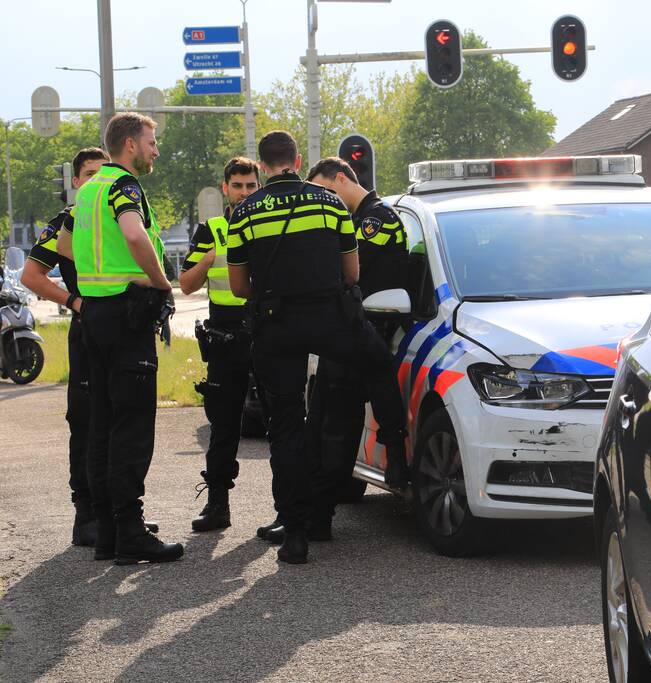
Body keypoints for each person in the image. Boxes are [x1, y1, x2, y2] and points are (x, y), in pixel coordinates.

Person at [227, 131, 407, 564]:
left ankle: (294, 534)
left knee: (286, 428)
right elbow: (352, 274)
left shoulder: (244, 211)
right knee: (377, 364)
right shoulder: (330, 204)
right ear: (296, 161)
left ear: (262, 165)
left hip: (276, 327)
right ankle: (397, 453)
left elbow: (238, 287)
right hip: (331, 321)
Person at [63, 112, 183, 565]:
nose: (156, 150)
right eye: (151, 142)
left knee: (103, 426)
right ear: (130, 144)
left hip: (94, 316)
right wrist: (162, 282)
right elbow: (134, 234)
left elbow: (67, 248)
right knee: (132, 427)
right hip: (126, 316)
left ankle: (109, 533)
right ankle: (131, 533)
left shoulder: (89, 189)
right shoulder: (122, 186)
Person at [20, 147, 108, 546]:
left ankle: (120, 510)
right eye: (89, 174)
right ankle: (86, 515)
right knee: (85, 421)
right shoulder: (65, 222)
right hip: (87, 331)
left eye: (103, 174)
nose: (96, 181)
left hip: (123, 333)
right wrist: (75, 302)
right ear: (75, 182)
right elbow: (31, 276)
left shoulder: (124, 218)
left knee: (121, 421)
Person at [178, 157, 260, 532]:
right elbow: (186, 284)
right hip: (226, 340)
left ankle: (288, 512)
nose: (244, 192)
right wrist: (209, 258)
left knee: (281, 425)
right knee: (224, 426)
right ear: (225, 188)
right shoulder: (210, 230)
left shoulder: (268, 223)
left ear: (259, 187)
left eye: (250, 186)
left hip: (264, 333)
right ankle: (217, 505)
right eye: (237, 186)